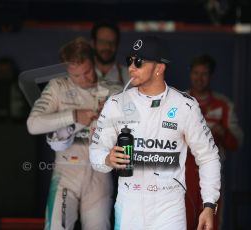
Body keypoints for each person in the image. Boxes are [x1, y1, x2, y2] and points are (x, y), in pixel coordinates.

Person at [89, 36, 221, 230]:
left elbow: (208, 156)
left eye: (139, 61)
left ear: (159, 68)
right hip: (128, 207)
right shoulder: (116, 104)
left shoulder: (185, 106)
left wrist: (209, 204)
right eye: (129, 61)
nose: (131, 67)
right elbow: (95, 151)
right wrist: (107, 159)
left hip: (168, 208)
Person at [27, 37, 121, 230]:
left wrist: (113, 114)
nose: (84, 79)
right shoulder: (57, 87)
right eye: (76, 75)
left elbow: (136, 128)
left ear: (93, 62)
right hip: (66, 174)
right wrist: (73, 115)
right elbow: (33, 124)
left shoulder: (113, 90)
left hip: (100, 175)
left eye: (87, 72)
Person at [185, 54, 243, 230]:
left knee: (211, 224)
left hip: (212, 174)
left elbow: (236, 142)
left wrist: (221, 132)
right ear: (190, 74)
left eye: (204, 74)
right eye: (196, 73)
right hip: (183, 175)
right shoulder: (180, 102)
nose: (199, 78)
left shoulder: (223, 104)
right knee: (181, 222)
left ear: (211, 76)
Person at [0, 57, 29, 123]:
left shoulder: (21, 87)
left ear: (13, 72)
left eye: (7, 72)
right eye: (1, 72)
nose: (4, 75)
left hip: (19, 124)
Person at [91, 21, 129, 87]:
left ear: (117, 44)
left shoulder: (130, 76)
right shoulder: (80, 74)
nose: (107, 47)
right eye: (102, 42)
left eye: (112, 42)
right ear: (93, 43)